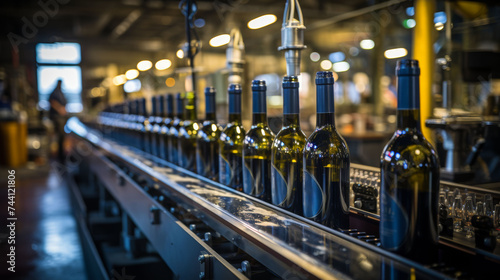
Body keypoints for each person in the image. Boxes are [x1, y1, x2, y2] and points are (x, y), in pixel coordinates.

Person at [48, 80, 67, 161]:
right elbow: (52, 102)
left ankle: (60, 154)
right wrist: (60, 109)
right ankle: (59, 156)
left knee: (61, 137)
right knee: (59, 136)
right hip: (56, 117)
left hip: (60, 117)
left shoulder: (60, 92)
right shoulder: (55, 92)